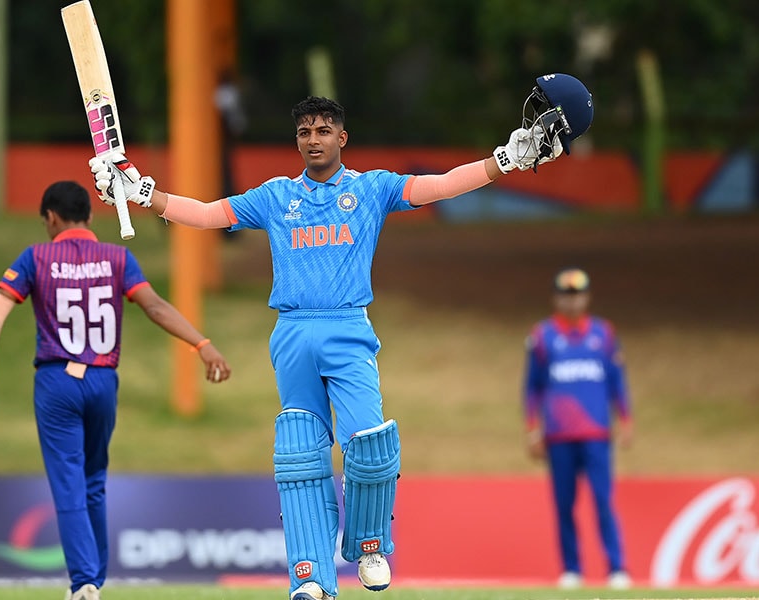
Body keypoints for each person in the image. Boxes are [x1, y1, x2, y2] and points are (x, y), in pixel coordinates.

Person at [89, 73, 593, 600]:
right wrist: (144, 194)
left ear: (341, 138)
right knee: (301, 457)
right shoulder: (276, 197)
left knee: (369, 445)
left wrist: (503, 161)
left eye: (323, 130)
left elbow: (440, 185)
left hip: (348, 328)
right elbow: (211, 214)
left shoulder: (371, 189)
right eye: (305, 131)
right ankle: (311, 580)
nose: (313, 139)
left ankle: (370, 543)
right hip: (291, 333)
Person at [0, 181, 231, 600]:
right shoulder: (118, 257)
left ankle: (84, 582)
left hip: (57, 382)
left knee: (68, 482)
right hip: (104, 381)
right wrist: (202, 344)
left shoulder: (36, 257)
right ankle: (95, 580)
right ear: (89, 215)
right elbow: (155, 307)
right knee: (94, 480)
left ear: (50, 218)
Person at [522, 267, 633, 590]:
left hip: (597, 433)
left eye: (577, 296)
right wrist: (532, 429)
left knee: (603, 500)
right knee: (564, 504)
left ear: (587, 298)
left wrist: (626, 420)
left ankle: (616, 568)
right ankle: (571, 569)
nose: (572, 302)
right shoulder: (542, 336)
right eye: (566, 296)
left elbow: (617, 382)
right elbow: (532, 388)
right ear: (556, 299)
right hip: (559, 436)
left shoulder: (604, 334)